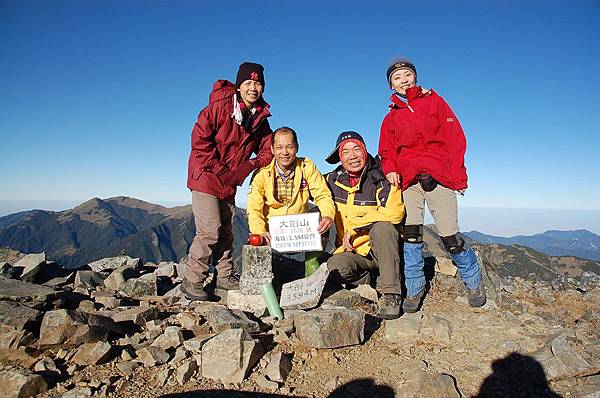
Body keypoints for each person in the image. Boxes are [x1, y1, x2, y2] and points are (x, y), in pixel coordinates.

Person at [378, 56, 486, 312]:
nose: (403, 80)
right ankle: (415, 289)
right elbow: (387, 150)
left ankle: (473, 281)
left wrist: (458, 177)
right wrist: (391, 169)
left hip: (438, 176)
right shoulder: (391, 117)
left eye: (407, 74)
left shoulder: (435, 102)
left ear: (415, 76)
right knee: (412, 235)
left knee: (450, 236)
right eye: (397, 78)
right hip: (409, 181)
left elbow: (455, 139)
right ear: (391, 85)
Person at [182, 62, 274, 301]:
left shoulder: (260, 119)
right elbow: (200, 143)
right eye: (248, 83)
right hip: (205, 176)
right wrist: (223, 171)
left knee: (226, 230)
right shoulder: (218, 109)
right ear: (239, 85)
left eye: (258, 83)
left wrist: (249, 165)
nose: (253, 88)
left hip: (229, 181)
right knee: (209, 230)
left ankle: (224, 275)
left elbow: (268, 150)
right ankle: (193, 280)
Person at [324, 131, 405, 320]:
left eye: (356, 149)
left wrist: (356, 227)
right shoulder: (331, 181)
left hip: (382, 250)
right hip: (354, 252)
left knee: (383, 227)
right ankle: (373, 281)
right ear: (340, 158)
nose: (352, 156)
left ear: (364, 151)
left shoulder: (384, 176)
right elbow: (307, 185)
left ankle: (391, 294)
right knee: (334, 266)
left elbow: (395, 213)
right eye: (345, 152)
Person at [247, 126, 335, 242]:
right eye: (279, 147)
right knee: (256, 241)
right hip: (272, 232)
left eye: (290, 147)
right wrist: (260, 231)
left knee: (319, 214)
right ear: (272, 149)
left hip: (301, 230)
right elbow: (254, 208)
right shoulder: (262, 174)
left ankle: (313, 260)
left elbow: (322, 194)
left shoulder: (307, 167)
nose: (285, 152)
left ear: (297, 148)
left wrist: (328, 215)